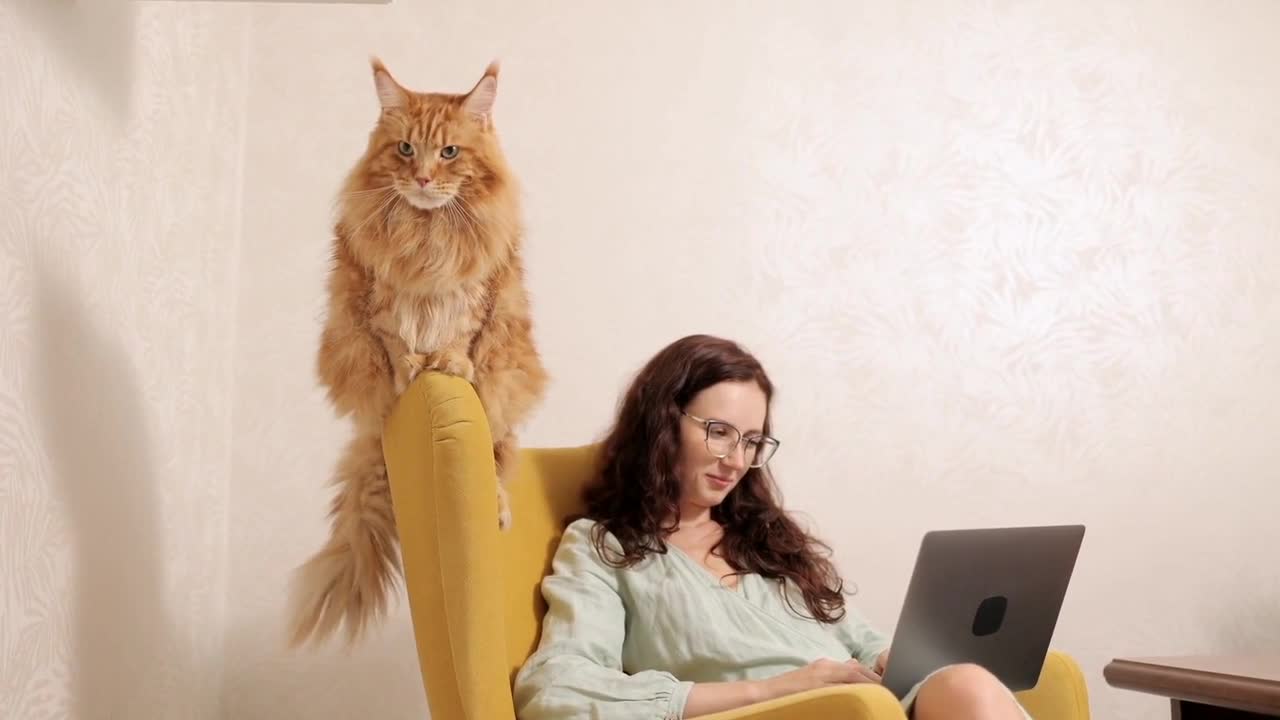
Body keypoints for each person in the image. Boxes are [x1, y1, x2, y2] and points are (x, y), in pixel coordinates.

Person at [512, 334, 1030, 719]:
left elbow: (862, 643)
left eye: (752, 441)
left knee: (967, 685)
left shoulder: (769, 543)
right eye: (719, 432)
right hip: (786, 713)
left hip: (864, 705)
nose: (736, 460)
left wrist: (904, 659)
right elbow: (559, 690)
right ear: (661, 422)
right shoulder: (605, 548)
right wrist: (781, 688)